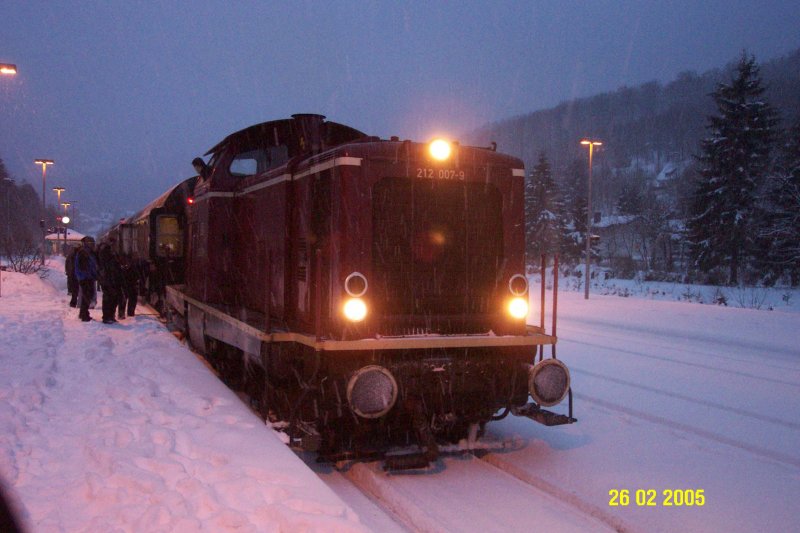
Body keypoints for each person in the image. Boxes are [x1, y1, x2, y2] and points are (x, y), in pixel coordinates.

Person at [97, 240, 124, 324]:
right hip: (109, 281)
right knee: (109, 299)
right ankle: (107, 317)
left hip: (112, 280)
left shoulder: (111, 255)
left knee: (113, 299)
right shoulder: (107, 255)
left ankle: (110, 316)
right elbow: (110, 269)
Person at [74, 236, 98, 322]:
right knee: (87, 295)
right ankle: (84, 315)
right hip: (85, 277)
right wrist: (91, 274)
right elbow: (84, 267)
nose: (93, 245)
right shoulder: (83, 253)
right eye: (91, 243)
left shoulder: (87, 252)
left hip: (86, 277)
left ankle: (83, 313)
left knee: (87, 295)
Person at [117, 253, 140, 319]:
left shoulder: (132, 267)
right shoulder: (126, 267)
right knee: (124, 299)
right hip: (126, 285)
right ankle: (124, 313)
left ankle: (128, 312)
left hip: (129, 285)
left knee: (129, 298)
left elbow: (137, 276)